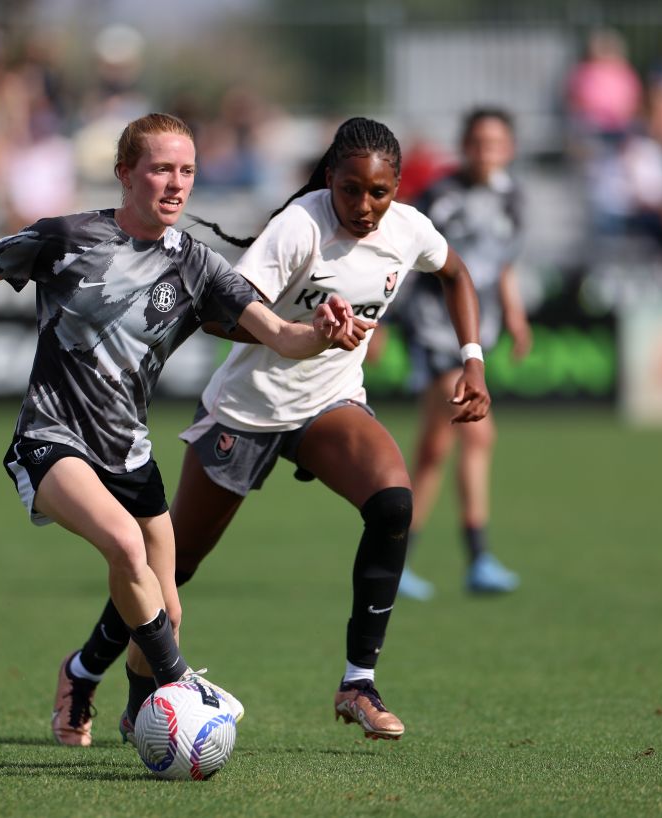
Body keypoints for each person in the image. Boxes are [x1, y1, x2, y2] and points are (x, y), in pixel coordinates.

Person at [49, 116, 491, 746]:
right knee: (173, 566)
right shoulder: (299, 228)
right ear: (329, 179)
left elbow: (456, 274)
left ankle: (358, 681)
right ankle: (85, 669)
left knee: (393, 503)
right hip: (248, 411)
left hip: (328, 403)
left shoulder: (408, 228)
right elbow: (221, 315)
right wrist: (306, 331)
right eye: (350, 190)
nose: (364, 207)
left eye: (380, 192)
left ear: (396, 188)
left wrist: (472, 357)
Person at [0, 112, 355, 745]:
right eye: (161, 168)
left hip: (129, 453)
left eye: (187, 170)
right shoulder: (69, 237)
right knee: (125, 550)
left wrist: (320, 333)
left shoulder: (199, 267)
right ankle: (183, 688)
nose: (176, 183)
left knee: (166, 610)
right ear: (125, 174)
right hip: (52, 439)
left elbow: (280, 336)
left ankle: (125, 705)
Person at [389, 107, 532, 601]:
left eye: (496, 142)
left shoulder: (513, 197)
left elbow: (503, 263)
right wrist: (381, 321)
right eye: (478, 141)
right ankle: (477, 558)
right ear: (464, 145)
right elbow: (405, 257)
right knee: (476, 431)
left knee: (436, 448)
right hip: (434, 328)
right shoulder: (442, 198)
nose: (486, 150)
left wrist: (514, 315)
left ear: (508, 148)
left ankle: (403, 560)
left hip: (477, 330)